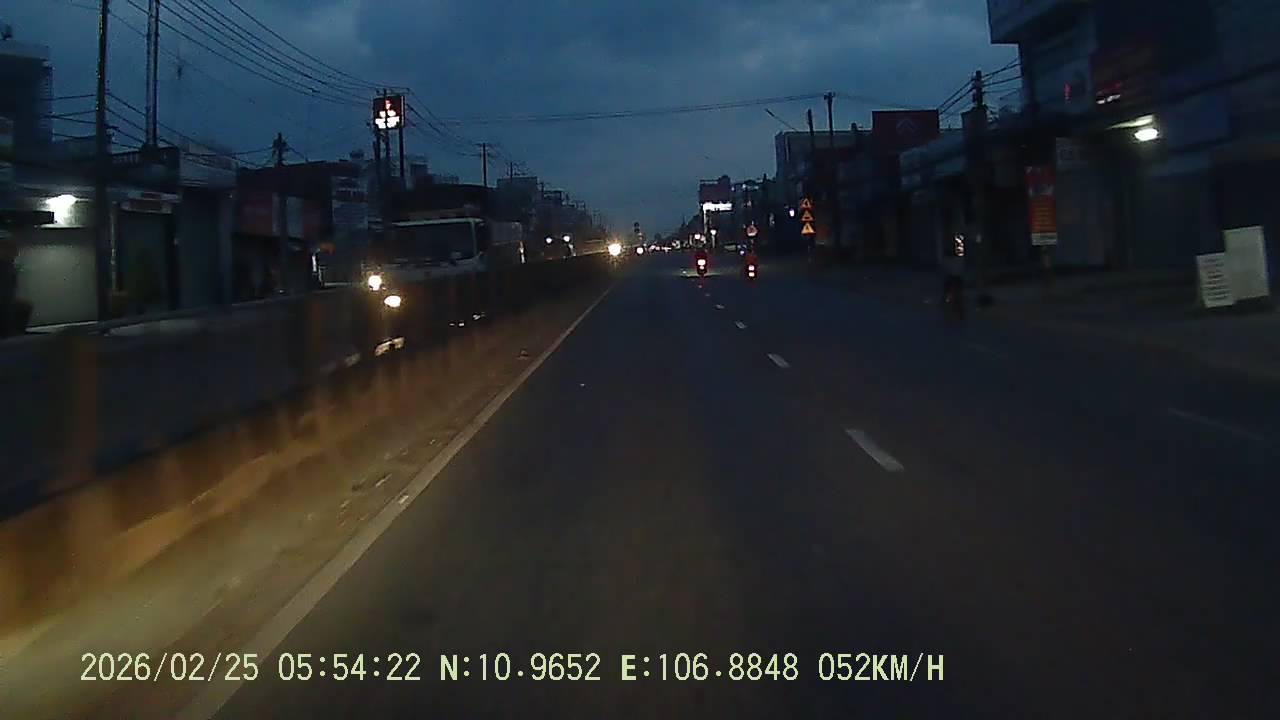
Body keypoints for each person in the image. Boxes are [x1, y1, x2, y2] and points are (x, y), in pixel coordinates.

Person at [939, 233, 966, 316]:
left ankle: (953, 307)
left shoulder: (953, 258)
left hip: (953, 277)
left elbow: (944, 266)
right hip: (954, 276)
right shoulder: (955, 258)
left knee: (954, 292)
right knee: (955, 293)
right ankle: (954, 308)